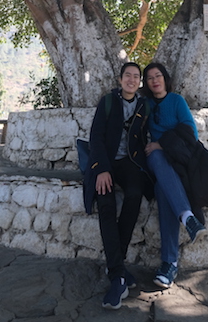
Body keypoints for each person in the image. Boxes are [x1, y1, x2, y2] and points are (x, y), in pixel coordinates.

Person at [83, 62, 152, 310]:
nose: (132, 80)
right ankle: (119, 273)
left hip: (131, 163)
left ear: (140, 82)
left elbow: (150, 133)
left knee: (135, 194)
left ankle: (116, 269)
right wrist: (101, 169)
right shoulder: (108, 102)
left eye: (136, 77)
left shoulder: (144, 105)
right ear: (120, 79)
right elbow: (96, 136)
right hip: (107, 161)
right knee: (106, 202)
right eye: (128, 76)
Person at [143, 61, 207, 289]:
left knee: (163, 191)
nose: (154, 81)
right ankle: (188, 217)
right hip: (156, 160)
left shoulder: (177, 101)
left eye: (158, 76)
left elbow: (191, 132)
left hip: (178, 162)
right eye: (150, 78)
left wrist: (162, 144)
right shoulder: (146, 104)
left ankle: (169, 263)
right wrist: (157, 147)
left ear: (165, 78)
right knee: (154, 156)